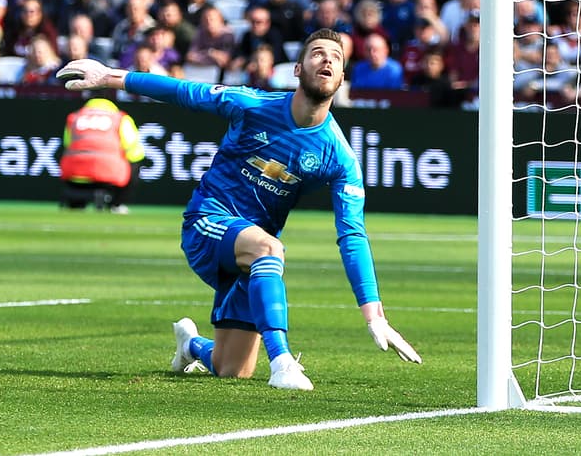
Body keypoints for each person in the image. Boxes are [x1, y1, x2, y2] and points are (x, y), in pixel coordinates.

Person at [56, 29, 421, 391]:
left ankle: (190, 345)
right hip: (208, 224)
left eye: (336, 58)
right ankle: (282, 363)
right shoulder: (253, 105)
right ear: (297, 69)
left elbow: (352, 233)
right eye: (318, 53)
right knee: (270, 248)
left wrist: (373, 313)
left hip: (250, 258)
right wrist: (110, 77)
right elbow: (184, 92)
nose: (327, 60)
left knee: (232, 369)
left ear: (342, 78)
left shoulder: (340, 157)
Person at [59, 97, 146, 214]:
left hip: (75, 171)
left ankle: (76, 203)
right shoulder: (120, 118)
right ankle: (117, 204)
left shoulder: (74, 117)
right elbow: (132, 148)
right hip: (108, 171)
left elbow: (67, 143)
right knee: (135, 162)